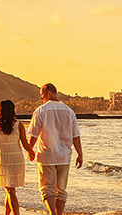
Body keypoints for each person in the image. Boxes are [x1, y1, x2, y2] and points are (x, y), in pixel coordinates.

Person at [27, 83, 83, 215]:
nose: (41, 98)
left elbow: (34, 135)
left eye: (42, 95)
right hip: (64, 156)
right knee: (61, 189)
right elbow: (76, 136)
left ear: (48, 93)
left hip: (46, 155)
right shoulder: (69, 111)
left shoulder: (40, 111)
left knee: (47, 188)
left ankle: (53, 213)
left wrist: (30, 150)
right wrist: (80, 154)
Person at [0, 100, 35, 215]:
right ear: (13, 110)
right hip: (17, 158)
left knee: (10, 189)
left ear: (0, 110)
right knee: (9, 189)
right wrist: (32, 153)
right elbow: (25, 144)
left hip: (3, 159)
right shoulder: (19, 125)